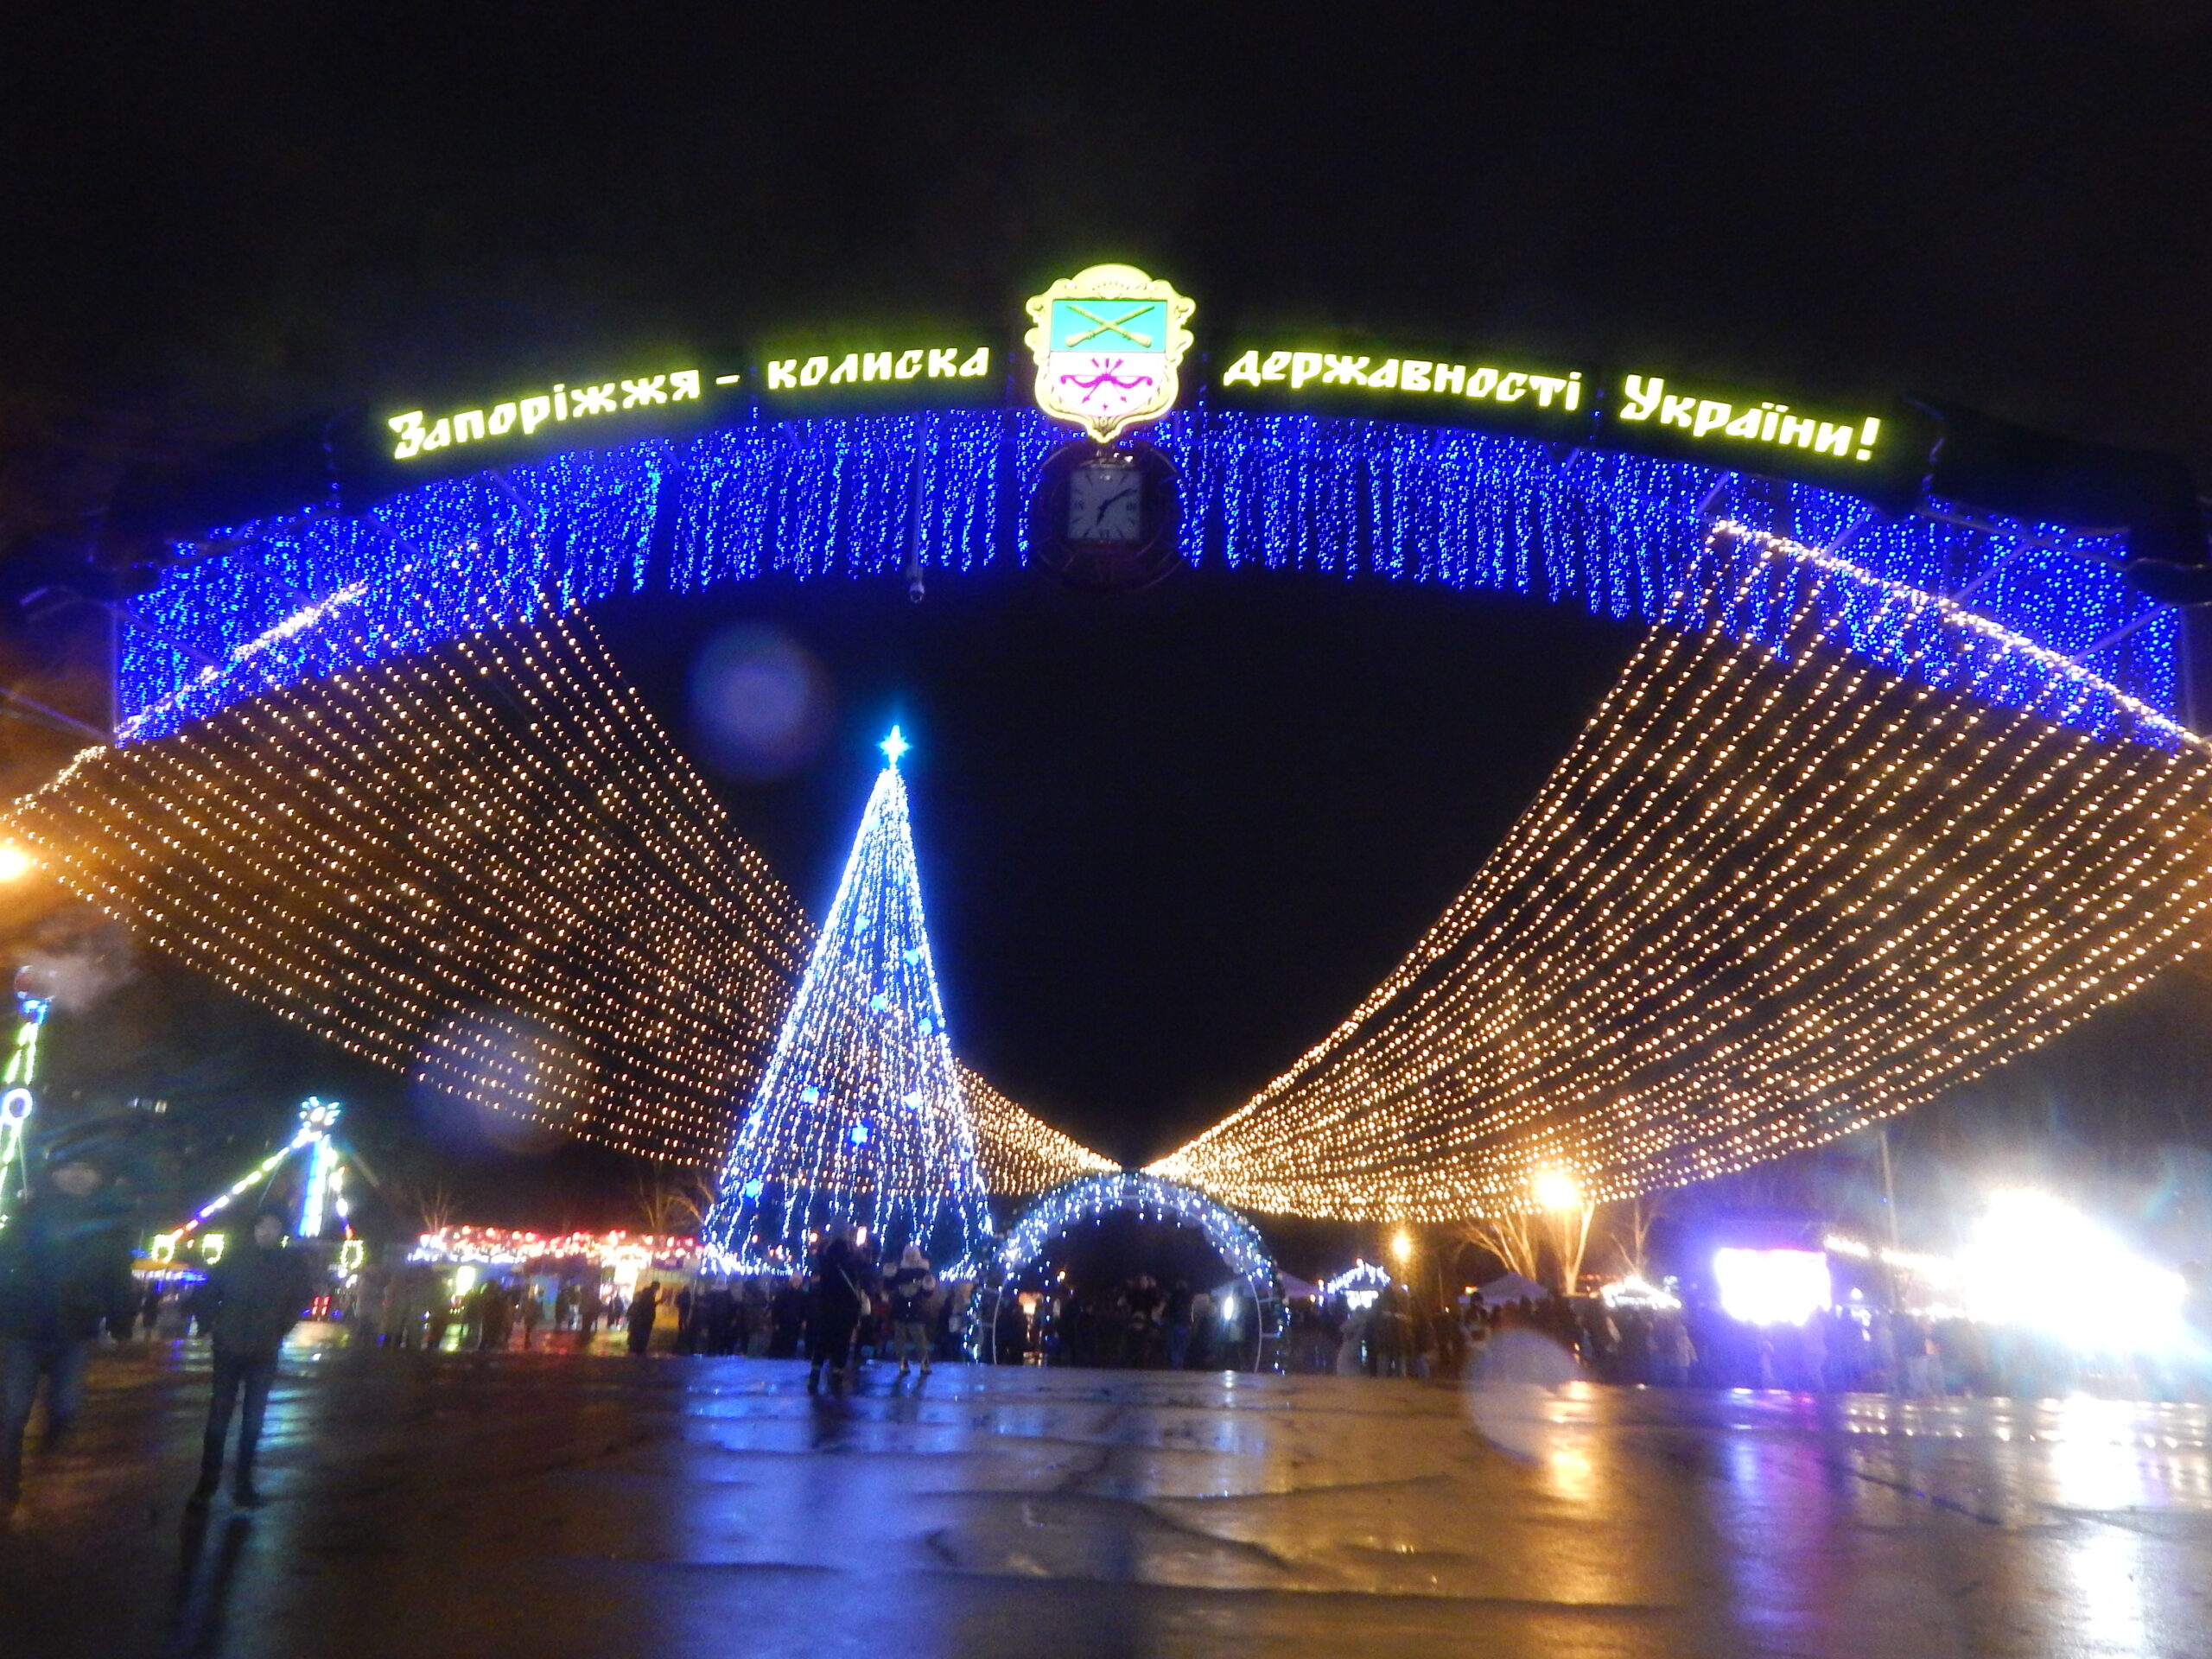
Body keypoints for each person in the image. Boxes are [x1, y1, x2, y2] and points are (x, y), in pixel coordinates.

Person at [0, 1152, 137, 1513]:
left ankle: (49, 1442)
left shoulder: (107, 1227)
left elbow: (117, 1278)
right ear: (55, 1173)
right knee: (13, 1412)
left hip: (74, 1332)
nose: (78, 1175)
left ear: (97, 1177)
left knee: (66, 1408)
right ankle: (7, 1482)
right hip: (23, 1329)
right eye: (70, 1167)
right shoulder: (29, 1215)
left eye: (87, 1167)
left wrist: (121, 1322)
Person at [188, 1206, 319, 1510]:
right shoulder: (234, 1259)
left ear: (281, 1231)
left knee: (253, 1419)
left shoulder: (290, 1265)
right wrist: (213, 1325)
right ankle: (207, 1480)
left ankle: (243, 1482)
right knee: (219, 1414)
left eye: (273, 1226)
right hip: (228, 1348)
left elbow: (300, 1298)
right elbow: (206, 1292)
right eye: (262, 1225)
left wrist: (279, 1328)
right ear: (254, 1228)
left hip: (263, 1350)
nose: (267, 1231)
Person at [805, 1230, 864, 1392]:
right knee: (842, 1343)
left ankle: (815, 1374)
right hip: (845, 1310)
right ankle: (837, 1377)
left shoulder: (826, 1260)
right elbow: (862, 1269)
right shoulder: (851, 1261)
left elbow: (819, 1255)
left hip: (827, 1308)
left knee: (822, 1342)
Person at [886, 1245, 937, 1380]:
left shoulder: (916, 1272)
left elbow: (927, 1292)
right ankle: (907, 1361)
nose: (911, 1258)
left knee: (917, 1337)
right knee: (904, 1337)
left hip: (910, 1308)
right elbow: (889, 1285)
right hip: (907, 1308)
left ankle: (921, 1361)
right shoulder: (910, 1272)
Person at [626, 1282, 659, 1355]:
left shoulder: (645, 1296)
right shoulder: (649, 1295)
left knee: (637, 1333)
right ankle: (638, 1348)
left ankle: (634, 1347)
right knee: (642, 1334)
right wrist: (658, 1302)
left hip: (642, 1319)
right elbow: (649, 1306)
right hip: (645, 1319)